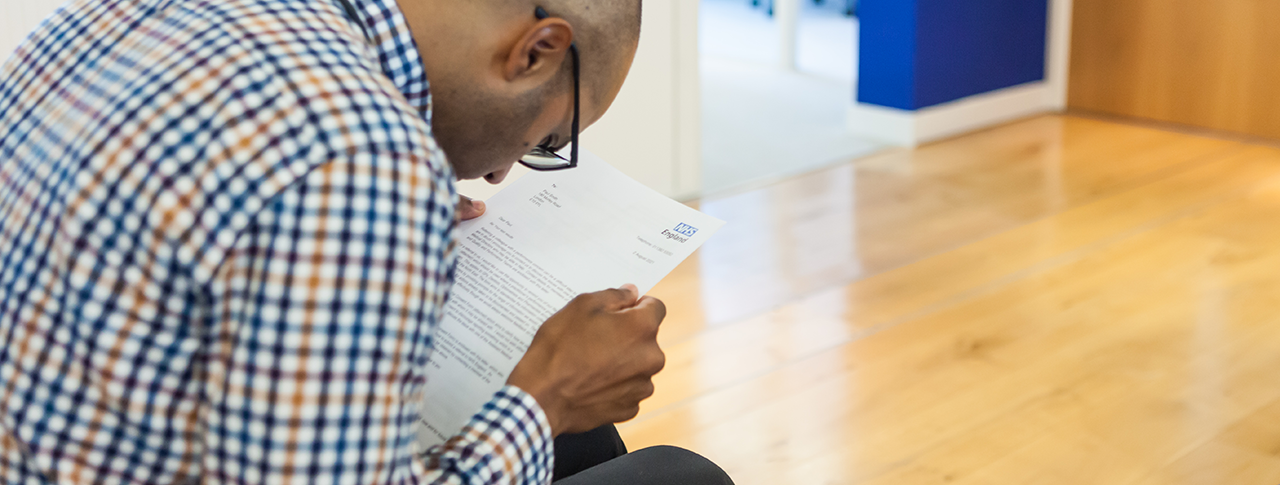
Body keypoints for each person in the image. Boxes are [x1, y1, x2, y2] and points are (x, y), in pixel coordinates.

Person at [0, 0, 733, 483]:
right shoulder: (362, 155)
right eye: (544, 139)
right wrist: (542, 399)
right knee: (674, 474)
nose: (501, 170)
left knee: (585, 444)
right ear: (536, 50)